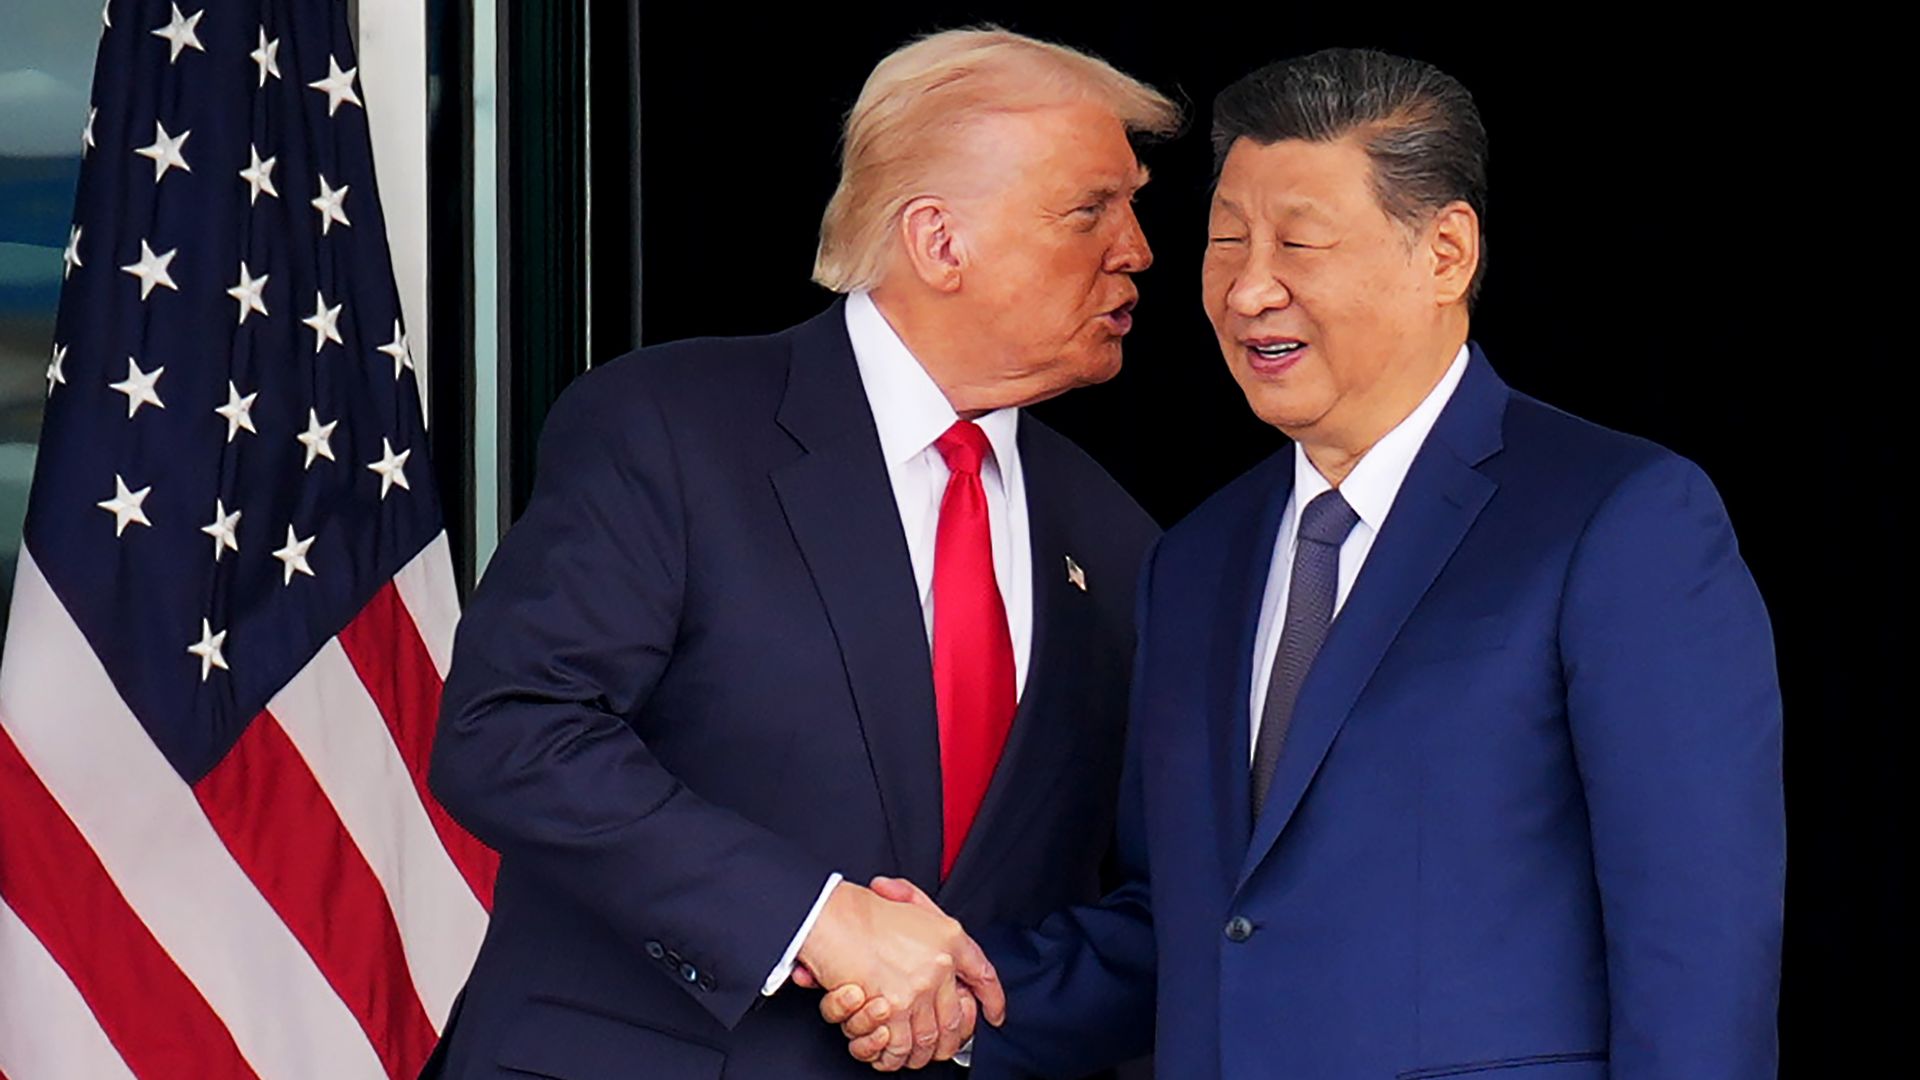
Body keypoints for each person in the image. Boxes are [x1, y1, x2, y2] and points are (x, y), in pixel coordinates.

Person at [827, 47, 1784, 1079]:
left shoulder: (1616, 518)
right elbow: (1184, 922)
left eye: (1300, 243)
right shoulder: (1191, 561)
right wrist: (959, 1002)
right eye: (1226, 240)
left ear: (1447, 254)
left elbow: (1696, 946)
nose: (1248, 291)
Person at [419, 27, 1177, 1080]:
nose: (1136, 246)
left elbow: (1149, 895)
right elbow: (510, 732)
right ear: (939, 240)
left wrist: (962, 1015)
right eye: (1092, 207)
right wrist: (811, 918)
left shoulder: (1119, 538)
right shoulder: (672, 427)